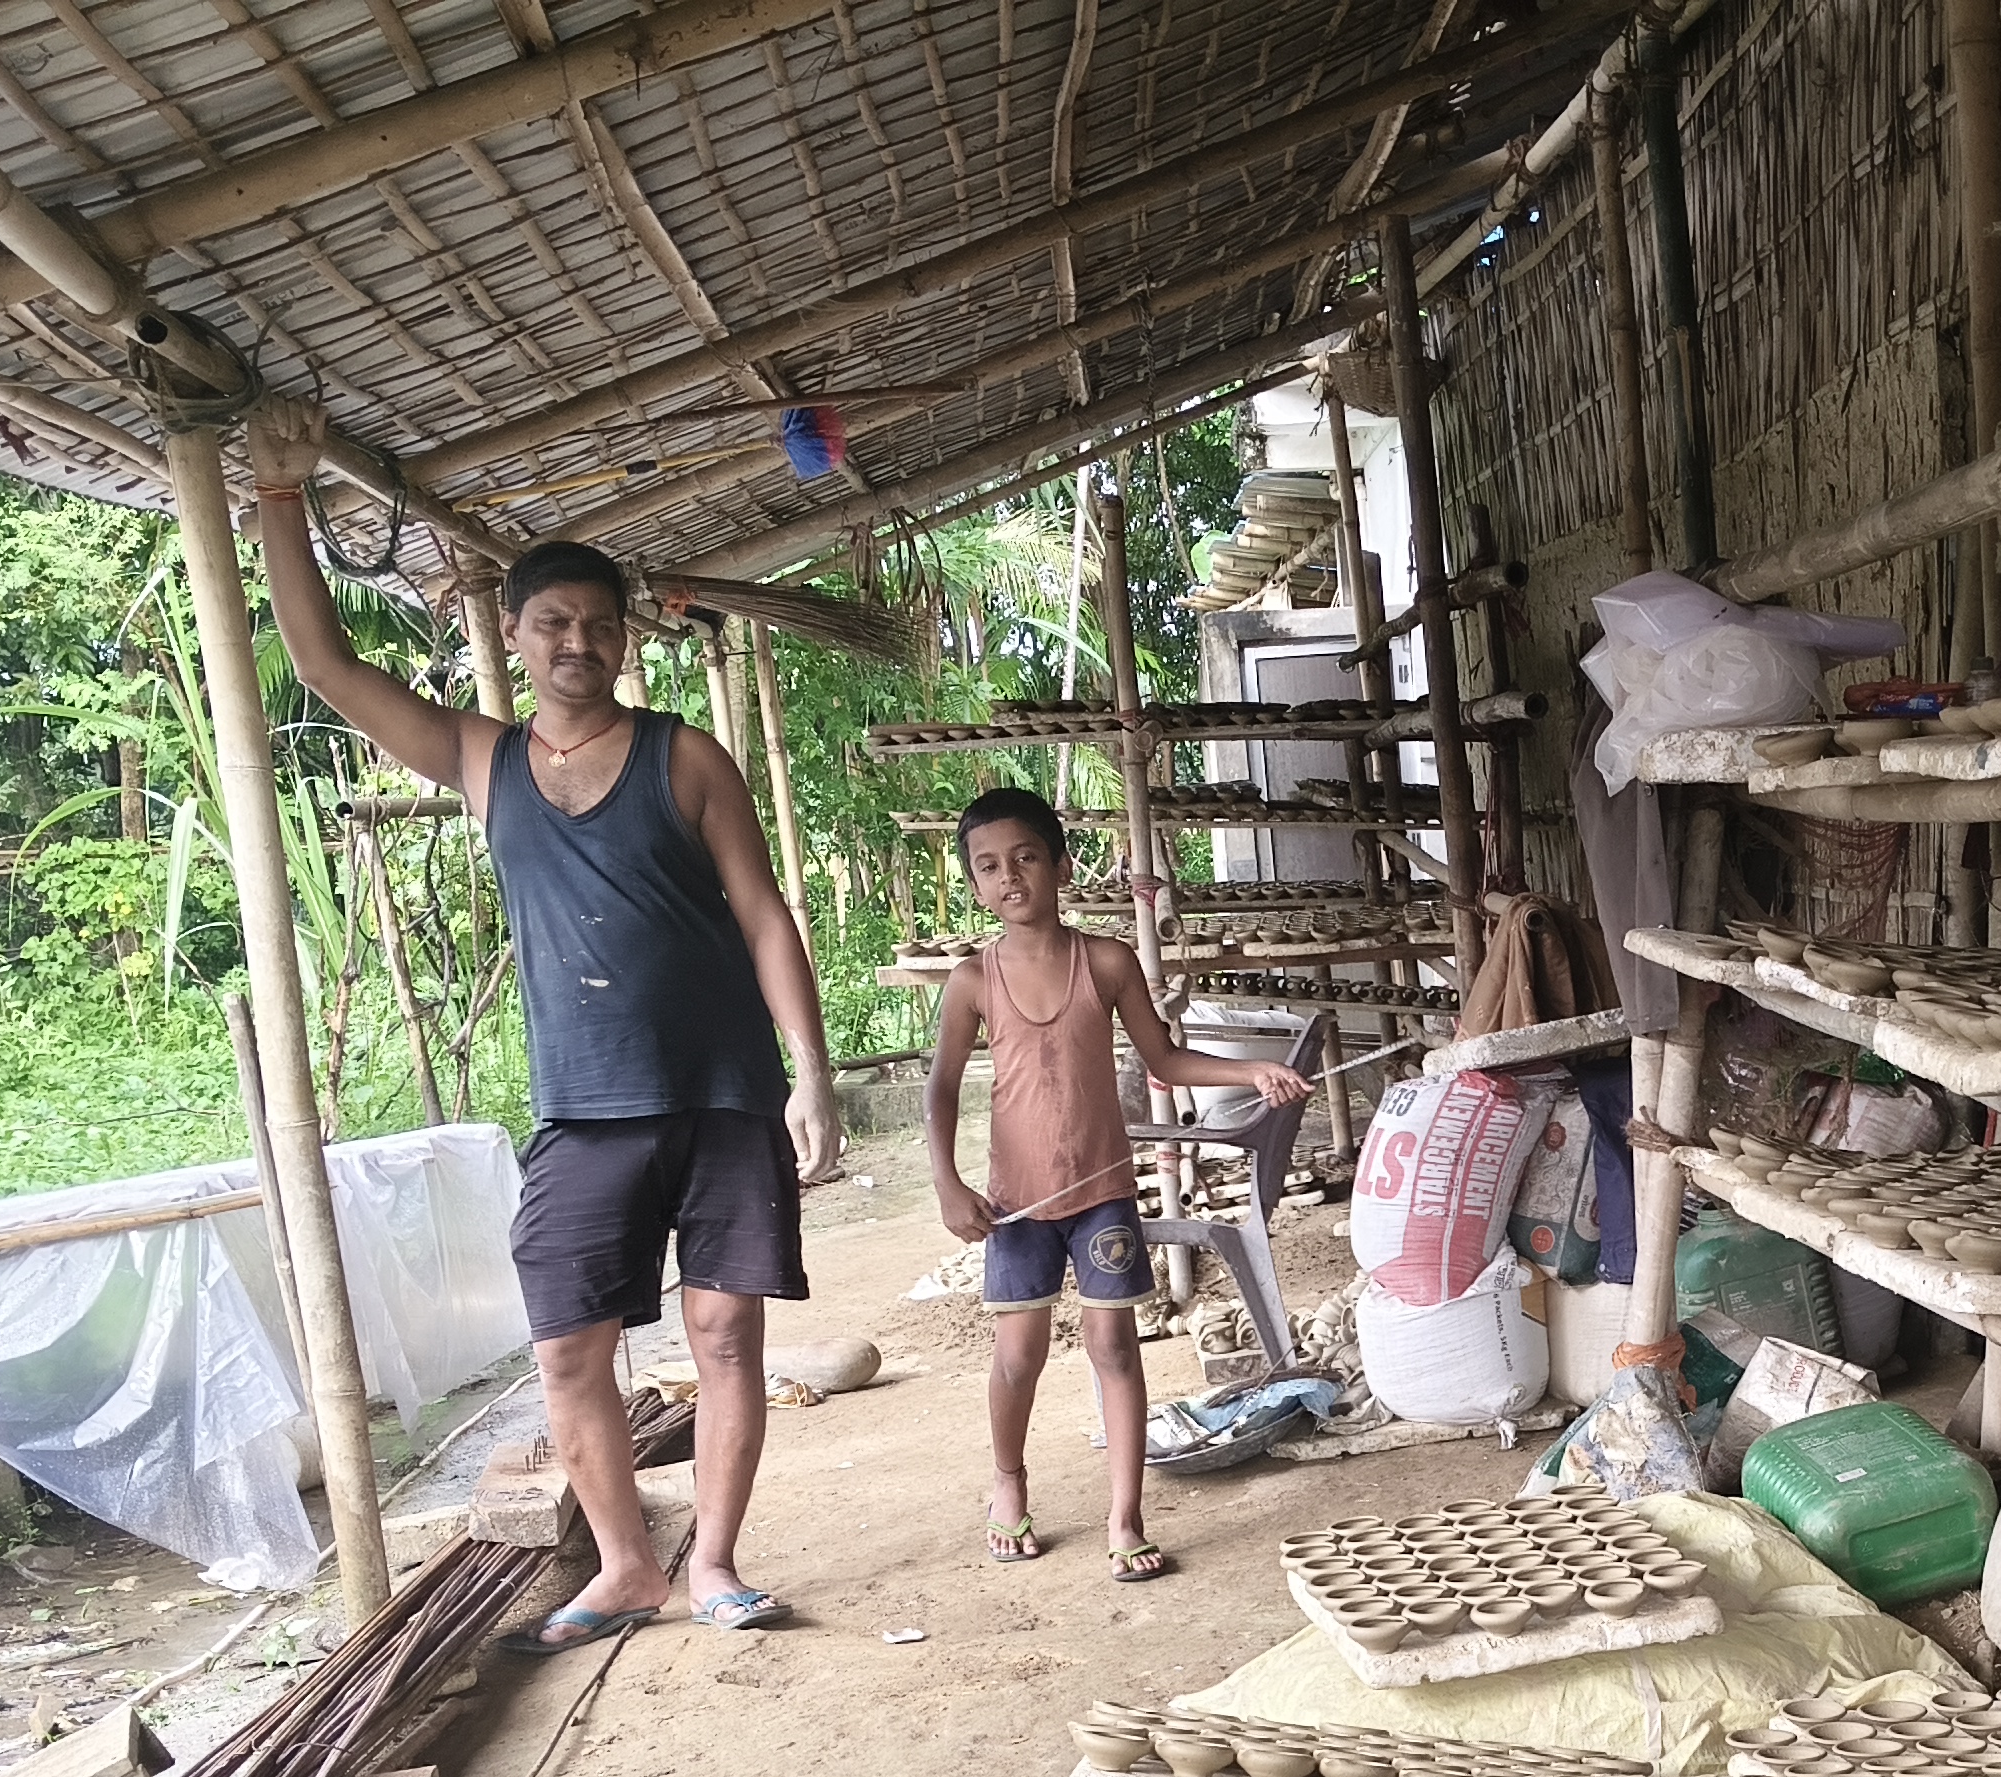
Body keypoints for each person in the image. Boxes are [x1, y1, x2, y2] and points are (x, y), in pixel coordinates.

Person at [239, 396, 840, 1651]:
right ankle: (625, 1565)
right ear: (513, 639)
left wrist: (810, 1075)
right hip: (583, 1106)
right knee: (569, 1350)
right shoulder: (481, 758)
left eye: (599, 625)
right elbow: (324, 668)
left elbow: (765, 913)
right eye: (554, 623)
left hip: (725, 1092)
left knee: (726, 1335)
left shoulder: (685, 759)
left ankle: (716, 1563)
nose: (578, 641)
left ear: (624, 644)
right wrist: (284, 499)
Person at [925, 789, 1307, 1582]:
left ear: (1061, 866)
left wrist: (1255, 1071)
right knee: (1018, 1357)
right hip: (1013, 1206)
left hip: (1101, 1194)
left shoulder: (1104, 961)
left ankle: (1126, 1514)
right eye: (988, 867)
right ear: (973, 882)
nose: (1010, 879)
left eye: (1027, 858)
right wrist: (946, 1181)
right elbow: (943, 1087)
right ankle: (1008, 1480)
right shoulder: (971, 980)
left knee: (1115, 1346)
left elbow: (1165, 1062)